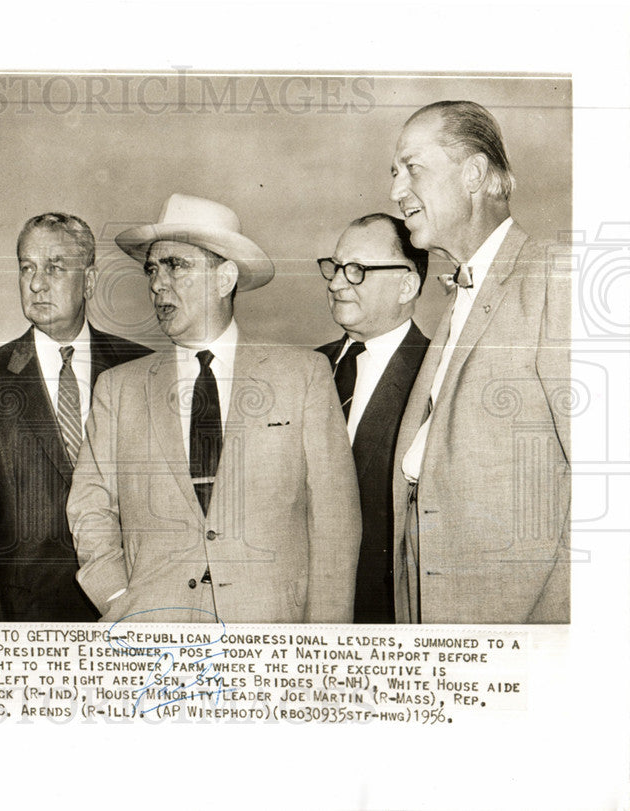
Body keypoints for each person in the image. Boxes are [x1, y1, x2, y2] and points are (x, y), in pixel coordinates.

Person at [68, 193, 361, 624]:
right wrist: (119, 598)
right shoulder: (118, 389)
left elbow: (335, 527)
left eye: (176, 265)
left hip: (270, 638)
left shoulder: (303, 376)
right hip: (154, 639)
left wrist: (322, 646)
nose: (156, 283)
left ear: (225, 278)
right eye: (152, 268)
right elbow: (89, 508)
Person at [389, 100, 570, 623]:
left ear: (473, 174)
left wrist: (552, 632)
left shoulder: (552, 278)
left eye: (412, 168)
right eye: (395, 173)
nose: (396, 191)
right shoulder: (459, 298)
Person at [0, 213, 151, 621]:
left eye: (55, 268)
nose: (37, 283)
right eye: (27, 267)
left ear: (90, 281)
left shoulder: (140, 368)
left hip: (131, 609)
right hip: (28, 620)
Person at [316, 213, 430, 623]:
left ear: (407, 284)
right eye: (334, 267)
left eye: (357, 270)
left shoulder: (440, 375)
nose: (335, 283)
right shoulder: (305, 369)